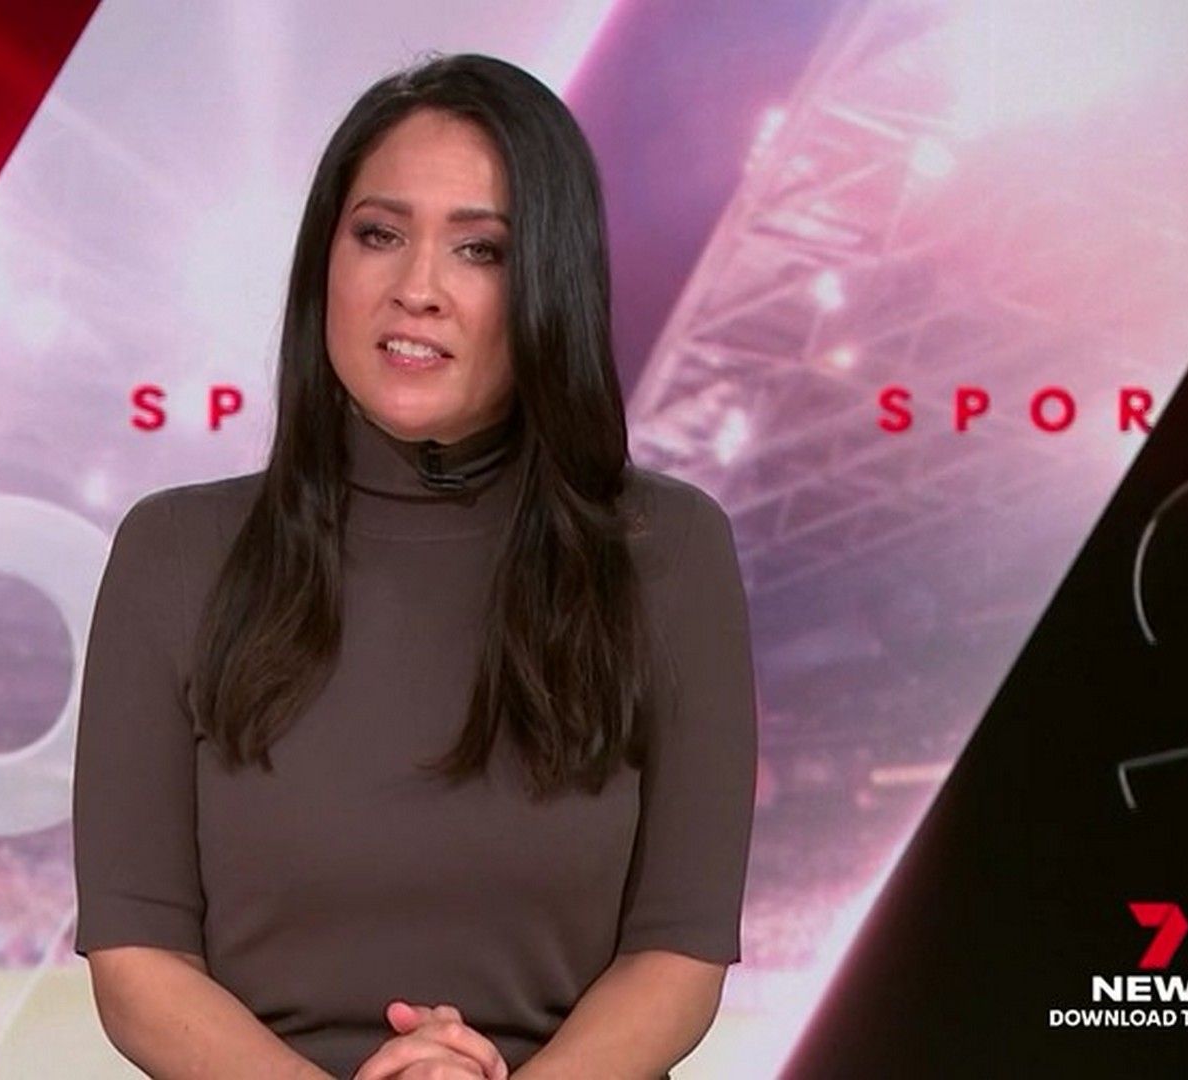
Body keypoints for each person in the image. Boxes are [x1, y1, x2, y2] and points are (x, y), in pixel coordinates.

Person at [73, 52, 757, 1079]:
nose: (417, 290)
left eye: (480, 250)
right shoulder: (173, 553)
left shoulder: (669, 551)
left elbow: (678, 954)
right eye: (379, 235)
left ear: (550, 285)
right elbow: (139, 962)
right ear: (325, 260)